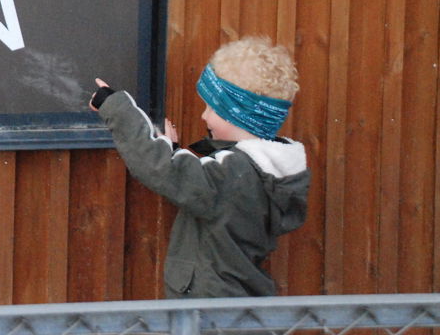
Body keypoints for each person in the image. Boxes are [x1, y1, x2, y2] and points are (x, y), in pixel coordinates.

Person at [90, 37, 309, 298]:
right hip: (235, 300)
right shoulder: (263, 172)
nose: (204, 115)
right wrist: (174, 150)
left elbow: (161, 169)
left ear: (236, 115)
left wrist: (116, 108)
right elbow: (202, 185)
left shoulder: (233, 174)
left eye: (211, 108)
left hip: (209, 306)